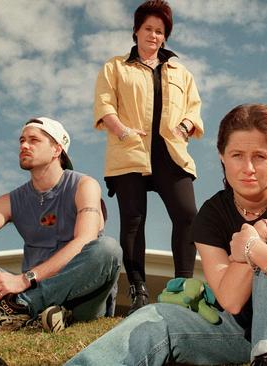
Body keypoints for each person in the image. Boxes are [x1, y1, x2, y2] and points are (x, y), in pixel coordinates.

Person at [64, 104, 267, 366]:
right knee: (158, 316)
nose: (248, 168)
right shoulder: (212, 214)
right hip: (245, 329)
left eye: (260, 157)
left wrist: (258, 248)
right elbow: (231, 301)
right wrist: (259, 233)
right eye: (237, 155)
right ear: (222, 157)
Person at [0, 117, 122, 334]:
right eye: (22, 140)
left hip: (79, 298)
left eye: (34, 140)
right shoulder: (11, 200)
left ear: (56, 150)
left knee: (107, 250)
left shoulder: (84, 185)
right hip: (25, 290)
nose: (24, 145)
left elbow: (85, 240)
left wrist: (25, 279)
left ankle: (22, 308)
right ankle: (32, 313)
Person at [93, 0, 204, 315]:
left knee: (187, 215)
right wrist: (122, 130)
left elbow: (194, 107)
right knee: (133, 221)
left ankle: (183, 288)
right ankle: (138, 290)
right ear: (136, 32)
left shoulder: (180, 71)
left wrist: (185, 125)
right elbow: (104, 104)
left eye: (160, 31)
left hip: (171, 153)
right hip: (129, 150)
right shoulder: (115, 67)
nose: (154, 36)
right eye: (148, 29)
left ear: (165, 37)